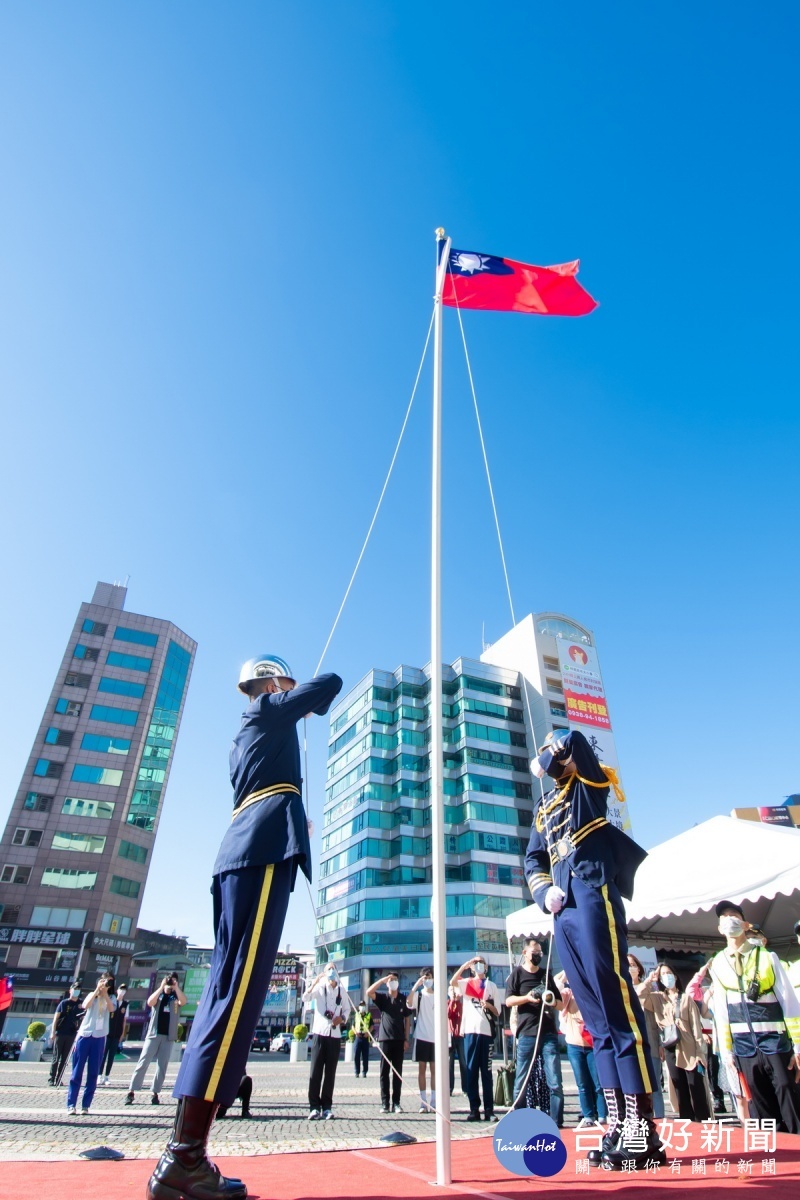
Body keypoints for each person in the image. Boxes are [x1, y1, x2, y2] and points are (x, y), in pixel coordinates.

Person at [147, 655, 342, 1200]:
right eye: (280, 682)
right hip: (258, 853)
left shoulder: (250, 731)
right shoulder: (267, 710)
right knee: (236, 1000)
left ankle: (184, 1155)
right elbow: (329, 682)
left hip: (244, 853)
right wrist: (293, 691)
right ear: (269, 683)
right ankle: (183, 1160)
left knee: (225, 995)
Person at [526, 729, 660, 1169]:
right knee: (595, 1020)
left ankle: (643, 1129)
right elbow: (533, 858)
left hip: (591, 892)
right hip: (561, 907)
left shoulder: (586, 783)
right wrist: (544, 891)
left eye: (551, 752)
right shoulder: (544, 807)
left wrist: (552, 747)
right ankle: (617, 1122)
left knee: (616, 1005)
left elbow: (579, 744)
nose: (549, 760)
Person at [708, 899, 800, 1133]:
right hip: (744, 1048)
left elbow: (789, 1003)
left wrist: (798, 1048)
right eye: (724, 918)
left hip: (775, 1043)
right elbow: (721, 1011)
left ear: (746, 924)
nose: (729, 921)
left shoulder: (767, 957)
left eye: (734, 916)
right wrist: (726, 1052)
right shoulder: (717, 963)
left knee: (789, 1096)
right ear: (719, 928)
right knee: (760, 1107)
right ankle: (777, 1158)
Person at [636, 964, 710, 1121]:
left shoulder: (686, 999)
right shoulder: (657, 998)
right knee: (680, 1089)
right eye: (663, 974)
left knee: (696, 1088)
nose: (666, 976)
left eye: (669, 973)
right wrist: (651, 979)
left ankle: (703, 1122)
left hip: (689, 1047)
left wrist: (699, 1052)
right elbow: (640, 995)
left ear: (675, 976)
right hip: (670, 1047)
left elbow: (696, 1027)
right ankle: (687, 1121)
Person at [506, 940, 563, 1124]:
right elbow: (508, 1001)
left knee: (554, 1079)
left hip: (548, 1033)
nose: (538, 954)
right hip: (527, 1033)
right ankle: (518, 1118)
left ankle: (556, 1119)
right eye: (535, 951)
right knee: (521, 1079)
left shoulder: (546, 975)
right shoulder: (517, 974)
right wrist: (527, 998)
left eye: (540, 951)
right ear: (524, 952)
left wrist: (550, 1000)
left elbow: (561, 1004)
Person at [554, 969, 607, 1126]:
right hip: (574, 1045)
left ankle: (603, 1114)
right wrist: (565, 973)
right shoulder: (568, 994)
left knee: (599, 1083)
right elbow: (555, 991)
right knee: (582, 1083)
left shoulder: (593, 994)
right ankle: (588, 1115)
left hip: (593, 1045)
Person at [450, 956, 499, 1123]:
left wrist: (489, 1006)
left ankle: (489, 1110)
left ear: (486, 967)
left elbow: (498, 1011)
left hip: (486, 1033)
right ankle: (474, 1109)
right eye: (476, 963)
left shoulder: (491, 986)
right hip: (470, 1031)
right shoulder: (468, 983)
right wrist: (466, 964)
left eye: (482, 963)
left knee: (486, 1072)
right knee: (471, 1071)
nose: (479, 966)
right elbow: (453, 981)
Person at [126, 974, 187, 1105]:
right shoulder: (159, 996)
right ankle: (132, 1091)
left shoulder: (175, 998)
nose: (170, 984)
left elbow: (184, 1001)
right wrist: (161, 987)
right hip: (154, 1034)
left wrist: (176, 988)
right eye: (169, 981)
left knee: (162, 1066)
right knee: (143, 1062)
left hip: (168, 1036)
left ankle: (155, 1092)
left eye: (173, 981)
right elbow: (150, 1002)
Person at [66, 971, 116, 1115]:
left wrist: (105, 993)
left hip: (100, 1036)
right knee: (77, 1071)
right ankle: (71, 1104)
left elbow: (112, 1009)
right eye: (105, 981)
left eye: (110, 982)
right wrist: (97, 991)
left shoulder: (112, 997)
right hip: (85, 1034)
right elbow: (85, 1006)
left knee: (93, 1072)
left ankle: (86, 1105)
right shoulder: (91, 995)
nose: (107, 983)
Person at [304, 963, 347, 1120]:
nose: (331, 971)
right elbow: (305, 997)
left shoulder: (341, 990)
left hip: (334, 1036)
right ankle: (314, 1107)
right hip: (319, 1033)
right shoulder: (320, 988)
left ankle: (327, 1107)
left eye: (334, 968)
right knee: (315, 1071)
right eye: (328, 969)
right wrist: (315, 982)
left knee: (330, 1073)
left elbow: (347, 1010)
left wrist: (341, 1019)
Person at [626, 955, 665, 1118]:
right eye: (627, 965)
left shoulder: (649, 989)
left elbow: (657, 1017)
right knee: (633, 1086)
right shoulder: (619, 990)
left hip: (650, 1042)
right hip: (630, 1043)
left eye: (633, 965)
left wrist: (661, 1043)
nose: (631, 968)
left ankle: (660, 1118)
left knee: (654, 1084)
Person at [367, 972, 411, 1113]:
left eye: (395, 980)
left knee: (397, 1073)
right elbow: (369, 992)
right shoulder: (383, 998)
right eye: (391, 980)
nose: (393, 982)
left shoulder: (403, 999)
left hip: (399, 1040)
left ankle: (396, 1103)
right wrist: (382, 980)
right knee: (384, 1073)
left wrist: (406, 1038)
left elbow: (407, 1019)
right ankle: (385, 1103)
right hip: (385, 1039)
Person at [408, 969, 437, 1113]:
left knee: (434, 1070)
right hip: (421, 1035)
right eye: (425, 977)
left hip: (435, 1037)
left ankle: (434, 1101)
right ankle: (423, 1101)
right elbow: (408, 1002)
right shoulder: (418, 995)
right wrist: (416, 986)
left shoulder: (438, 996)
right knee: (422, 1070)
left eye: (429, 977)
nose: (427, 980)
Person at [49, 984, 83, 1087]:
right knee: (56, 1057)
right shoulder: (64, 1003)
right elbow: (56, 1017)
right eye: (74, 989)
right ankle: (52, 1079)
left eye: (78, 989)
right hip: (61, 1033)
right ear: (70, 990)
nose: (76, 991)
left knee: (65, 1059)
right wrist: (53, 1031)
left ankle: (59, 1079)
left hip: (72, 1034)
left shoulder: (81, 1004)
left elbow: (83, 1018)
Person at [101, 982, 128, 1084]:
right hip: (107, 1032)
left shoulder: (126, 1004)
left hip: (117, 1033)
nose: (122, 991)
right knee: (103, 1055)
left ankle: (107, 1076)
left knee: (111, 1056)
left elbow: (124, 1020)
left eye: (124, 990)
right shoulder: (112, 1001)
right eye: (121, 989)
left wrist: (122, 1033)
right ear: (117, 990)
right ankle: (99, 1075)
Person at [447, 985, 468, 1096]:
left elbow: (462, 1016)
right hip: (449, 1035)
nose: (454, 993)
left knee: (463, 1063)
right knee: (449, 1063)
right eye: (451, 991)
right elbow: (448, 1014)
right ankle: (449, 1088)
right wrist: (451, 1001)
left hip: (460, 1035)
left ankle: (465, 1088)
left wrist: (457, 1000)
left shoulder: (462, 1005)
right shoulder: (446, 1003)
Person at [352, 999, 372, 1078]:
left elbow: (372, 1026)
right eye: (361, 1005)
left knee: (365, 1056)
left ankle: (364, 1072)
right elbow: (353, 1026)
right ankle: (357, 1071)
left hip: (365, 1037)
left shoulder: (368, 1015)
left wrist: (368, 1033)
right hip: (358, 1037)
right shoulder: (356, 1015)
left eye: (363, 1005)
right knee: (356, 1055)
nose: (362, 1007)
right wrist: (355, 1032)